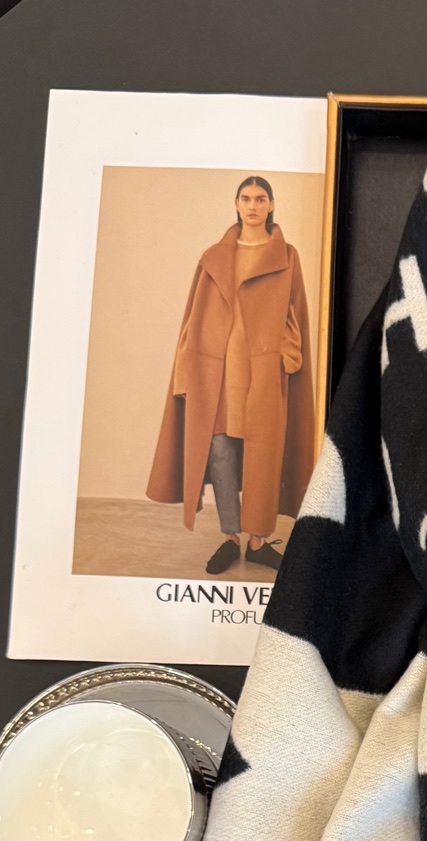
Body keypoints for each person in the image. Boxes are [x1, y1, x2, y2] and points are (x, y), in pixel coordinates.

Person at [146, 175, 316, 574]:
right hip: (218, 373)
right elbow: (194, 319)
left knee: (262, 455)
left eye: (260, 198)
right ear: (236, 204)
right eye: (246, 198)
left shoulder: (287, 256)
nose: (253, 205)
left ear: (271, 205)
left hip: (264, 374)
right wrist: (187, 373)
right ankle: (230, 538)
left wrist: (284, 355)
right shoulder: (213, 257)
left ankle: (258, 541)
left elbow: (296, 315)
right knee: (220, 453)